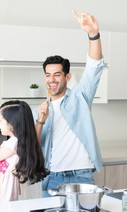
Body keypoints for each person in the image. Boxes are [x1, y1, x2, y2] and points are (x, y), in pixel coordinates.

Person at [34, 11, 104, 197]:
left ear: (67, 76)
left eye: (57, 74)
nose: (52, 79)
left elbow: (94, 68)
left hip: (81, 177)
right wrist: (40, 121)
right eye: (48, 75)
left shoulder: (80, 97)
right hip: (53, 178)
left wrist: (93, 34)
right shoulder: (40, 110)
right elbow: (33, 144)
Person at [0, 100, 49, 205]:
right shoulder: (15, 142)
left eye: (0, 120)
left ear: (13, 122)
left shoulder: (13, 143)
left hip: (0, 187)